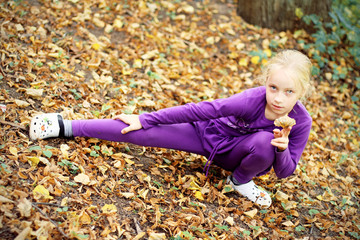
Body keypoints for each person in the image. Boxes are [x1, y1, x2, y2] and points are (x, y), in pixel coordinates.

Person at [29, 49, 313, 208]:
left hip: (242, 155)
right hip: (207, 136)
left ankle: (239, 182)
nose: (278, 98)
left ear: (301, 92)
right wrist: (146, 119)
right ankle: (66, 126)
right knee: (137, 132)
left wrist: (283, 149)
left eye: (288, 92)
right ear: (265, 81)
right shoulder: (249, 100)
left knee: (265, 143)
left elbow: (285, 171)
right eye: (273, 87)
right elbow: (201, 109)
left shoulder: (301, 122)